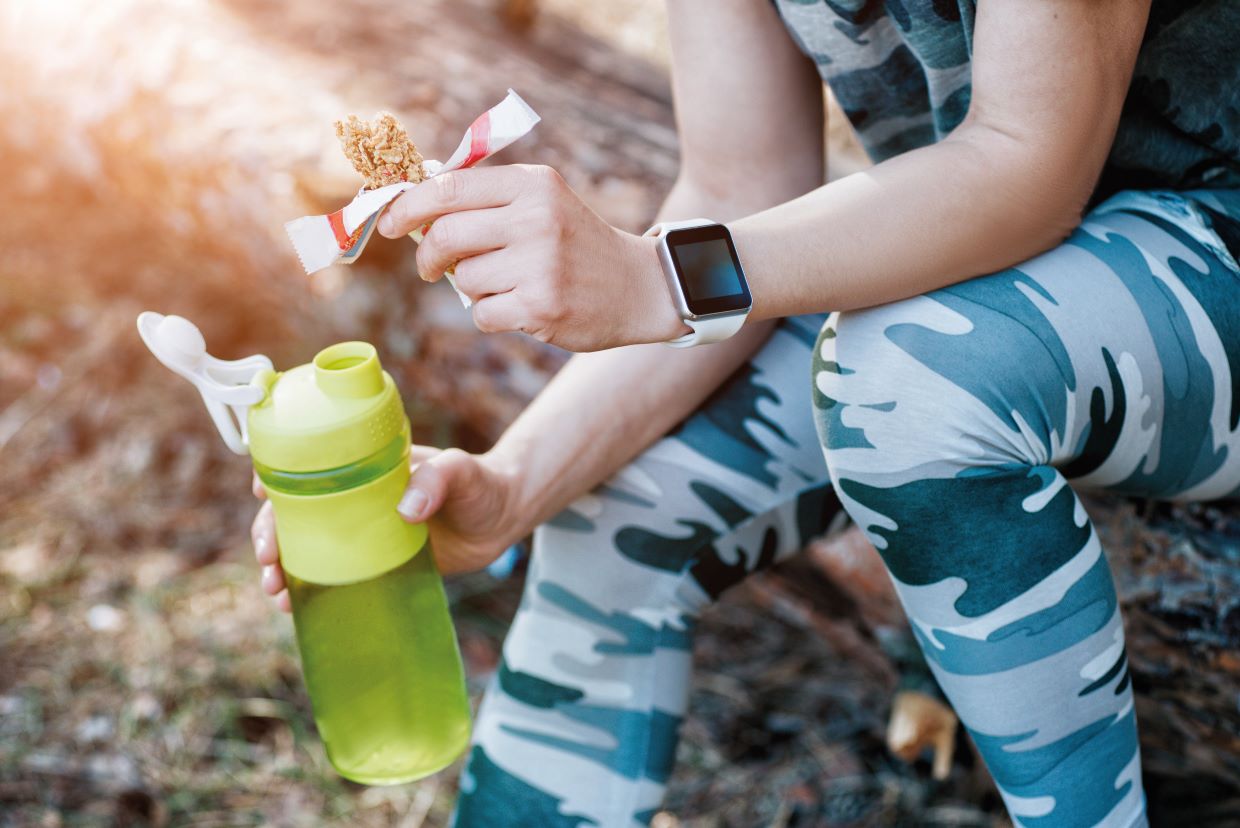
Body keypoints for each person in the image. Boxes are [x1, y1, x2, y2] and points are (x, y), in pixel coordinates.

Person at [251, 0, 1240, 825]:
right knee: (621, 492)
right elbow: (735, 187)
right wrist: (511, 489)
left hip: (1205, 228)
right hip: (1007, 284)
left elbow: (1029, 164)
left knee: (904, 378)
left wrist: (657, 279)